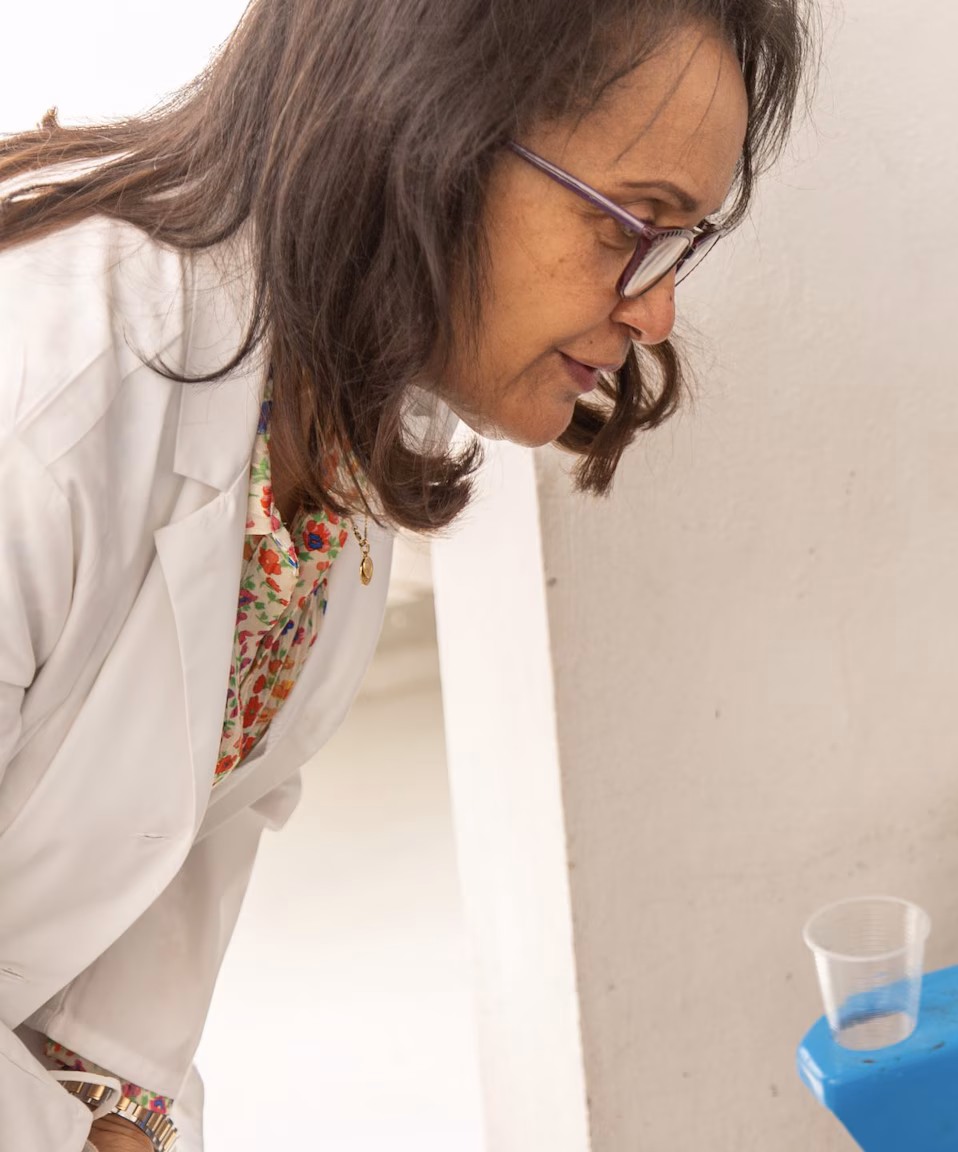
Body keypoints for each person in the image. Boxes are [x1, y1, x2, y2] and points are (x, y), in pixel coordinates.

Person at [0, 1, 805, 1148]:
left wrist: (110, 1118)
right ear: (424, 131)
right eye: (630, 223)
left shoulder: (325, 422)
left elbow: (176, 825)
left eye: (681, 240)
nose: (656, 307)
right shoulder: (39, 400)